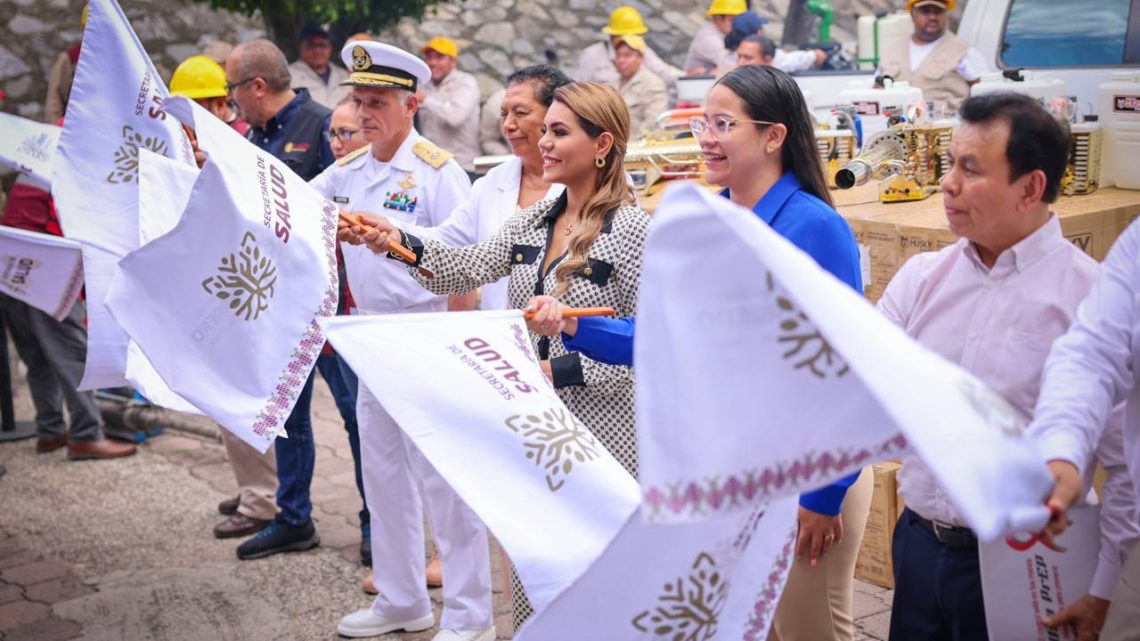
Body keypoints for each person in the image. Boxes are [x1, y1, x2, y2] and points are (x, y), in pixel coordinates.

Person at [524, 65, 871, 641]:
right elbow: (668, 335)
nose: (705, 136)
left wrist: (825, 493)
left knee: (813, 630)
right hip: (740, 468)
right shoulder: (714, 223)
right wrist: (573, 326)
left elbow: (847, 369)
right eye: (702, 122)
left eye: (722, 123)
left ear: (773, 136)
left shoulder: (815, 227)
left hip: (806, 472)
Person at [338, 81, 649, 631]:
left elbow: (649, 346)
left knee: (601, 576)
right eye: (545, 129)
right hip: (534, 426)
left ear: (603, 144)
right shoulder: (538, 217)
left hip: (604, 436)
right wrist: (395, 241)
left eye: (558, 131)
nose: (543, 142)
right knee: (535, 566)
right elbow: (464, 267)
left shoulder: (633, 232)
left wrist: (554, 368)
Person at [876, 92, 1139, 641]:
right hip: (920, 542)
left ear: (1031, 188)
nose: (947, 184)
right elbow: (865, 391)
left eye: (970, 170)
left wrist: (1105, 589)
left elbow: (1125, 469)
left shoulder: (1090, 304)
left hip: (1028, 560)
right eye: (950, 164)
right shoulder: (923, 278)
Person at [310, 41, 493, 641]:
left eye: (377, 102)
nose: (364, 114)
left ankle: (469, 614)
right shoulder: (348, 170)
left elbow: (466, 263)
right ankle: (401, 598)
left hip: (427, 330)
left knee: (444, 480)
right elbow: (291, 204)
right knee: (382, 471)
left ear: (411, 104)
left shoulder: (437, 171)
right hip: (371, 333)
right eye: (359, 101)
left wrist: (456, 342)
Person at [224, 38, 334, 560]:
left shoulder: (323, 127)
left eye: (231, 90)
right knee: (289, 412)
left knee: (358, 418)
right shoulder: (253, 135)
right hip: (276, 299)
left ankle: (377, 530)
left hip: (327, 303)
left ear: (258, 87)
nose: (230, 102)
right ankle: (294, 518)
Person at [0, 177, 136, 461]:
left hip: (12, 264)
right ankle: (86, 435)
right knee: (74, 355)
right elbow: (68, 223)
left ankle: (50, 432)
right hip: (48, 268)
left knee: (36, 358)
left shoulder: (38, 157)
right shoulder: (72, 160)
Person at [877, 0, 989, 111]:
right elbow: (875, 90)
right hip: (896, 126)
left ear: (946, 15)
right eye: (925, 11)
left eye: (938, 11)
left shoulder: (963, 51)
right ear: (912, 14)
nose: (932, 17)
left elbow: (985, 95)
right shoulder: (892, 50)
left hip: (948, 126)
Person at [575, 6, 682, 104]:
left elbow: (664, 71)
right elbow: (578, 91)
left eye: (634, 35)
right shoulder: (591, 55)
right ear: (613, 36)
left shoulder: (642, 50)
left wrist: (688, 77)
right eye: (625, 35)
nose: (629, 40)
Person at [416, 37, 482, 177]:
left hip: (462, 167)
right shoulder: (423, 85)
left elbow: (455, 117)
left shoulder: (466, 81)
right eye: (429, 57)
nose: (432, 62)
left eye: (439, 57)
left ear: (453, 61)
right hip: (428, 166)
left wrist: (425, 100)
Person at [170, 55, 249, 136]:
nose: (185, 117)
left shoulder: (243, 138)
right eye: (180, 108)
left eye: (194, 108)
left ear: (220, 105)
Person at [723, 12, 826, 74]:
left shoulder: (726, 58)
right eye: (741, 57)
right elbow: (792, 61)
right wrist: (815, 55)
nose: (740, 63)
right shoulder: (774, 59)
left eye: (747, 58)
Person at [610, 34, 668, 136]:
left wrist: (633, 144)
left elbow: (653, 122)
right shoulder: (611, 84)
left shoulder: (653, 83)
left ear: (641, 58)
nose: (621, 60)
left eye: (627, 55)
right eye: (618, 55)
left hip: (639, 147)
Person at [287, 24, 350, 109]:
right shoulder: (289, 75)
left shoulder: (343, 75)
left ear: (330, 48)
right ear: (301, 48)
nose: (317, 50)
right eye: (311, 45)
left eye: (322, 45)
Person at [46, 3, 86, 123]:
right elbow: (54, 99)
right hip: (75, 126)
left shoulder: (119, 59)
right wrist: (55, 128)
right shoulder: (69, 58)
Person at [684, 0, 747, 75]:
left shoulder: (724, 32)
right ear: (719, 17)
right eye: (733, 20)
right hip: (695, 84)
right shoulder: (708, 38)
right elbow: (734, 65)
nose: (737, 24)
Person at [478, 86, 510, 156]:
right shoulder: (495, 103)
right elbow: (488, 140)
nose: (508, 125)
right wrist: (507, 155)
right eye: (504, 114)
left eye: (521, 112)